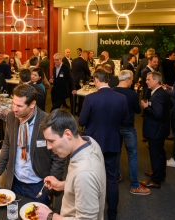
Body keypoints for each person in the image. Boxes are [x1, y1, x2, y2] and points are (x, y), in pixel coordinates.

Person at [0, 84, 66, 205]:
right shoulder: (12, 117)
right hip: (15, 183)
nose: (14, 108)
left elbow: (59, 160)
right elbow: (7, 145)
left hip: (39, 186)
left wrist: (49, 190)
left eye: (19, 106)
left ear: (32, 104)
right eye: (13, 103)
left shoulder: (47, 122)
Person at [36, 109, 106, 219]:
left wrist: (50, 216)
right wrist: (63, 185)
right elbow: (85, 185)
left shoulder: (85, 173)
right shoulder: (89, 142)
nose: (48, 147)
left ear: (68, 134)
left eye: (51, 141)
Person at [78, 68, 128, 220]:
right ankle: (112, 214)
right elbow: (126, 121)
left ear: (96, 80)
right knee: (111, 179)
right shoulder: (121, 98)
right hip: (113, 142)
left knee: (91, 178)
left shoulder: (90, 98)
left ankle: (92, 213)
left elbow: (81, 121)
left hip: (93, 144)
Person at [113, 70, 150, 195]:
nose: (132, 81)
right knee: (132, 155)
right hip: (128, 127)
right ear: (127, 79)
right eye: (132, 79)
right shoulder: (132, 94)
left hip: (115, 127)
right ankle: (134, 185)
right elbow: (138, 111)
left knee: (116, 153)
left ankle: (116, 175)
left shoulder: (112, 90)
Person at [140, 72, 170, 188]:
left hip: (156, 130)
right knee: (160, 153)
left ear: (156, 81)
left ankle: (155, 180)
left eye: (148, 79)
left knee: (156, 155)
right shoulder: (161, 92)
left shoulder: (158, 95)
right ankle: (159, 174)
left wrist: (147, 108)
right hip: (161, 129)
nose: (146, 81)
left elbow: (157, 114)